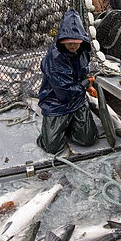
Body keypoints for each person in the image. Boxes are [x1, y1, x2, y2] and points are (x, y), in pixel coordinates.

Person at [36, 9, 99, 154]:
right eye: (68, 43)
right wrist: (86, 83)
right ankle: (48, 134)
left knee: (88, 139)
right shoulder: (55, 57)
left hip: (77, 100)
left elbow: (82, 73)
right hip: (56, 102)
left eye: (75, 42)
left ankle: (70, 126)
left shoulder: (83, 51)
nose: (72, 46)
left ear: (82, 40)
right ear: (61, 41)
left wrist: (88, 86)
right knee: (52, 147)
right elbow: (64, 92)